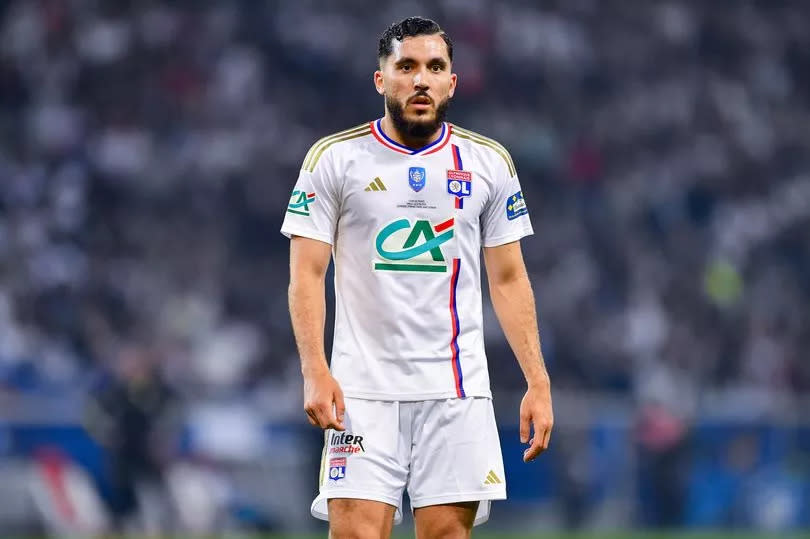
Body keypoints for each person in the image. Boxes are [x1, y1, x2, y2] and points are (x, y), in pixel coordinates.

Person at [281, 16, 553, 539]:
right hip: (361, 393)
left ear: (453, 81)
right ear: (381, 79)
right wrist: (314, 369)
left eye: (435, 67)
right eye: (406, 66)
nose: (421, 79)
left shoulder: (488, 164)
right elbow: (307, 274)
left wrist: (537, 381)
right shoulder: (334, 160)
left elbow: (510, 278)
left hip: (456, 390)